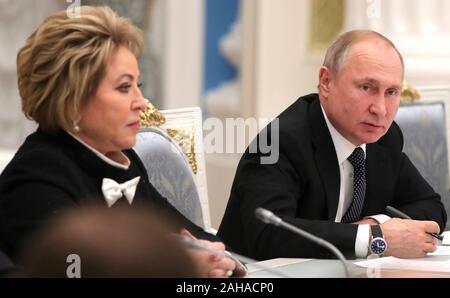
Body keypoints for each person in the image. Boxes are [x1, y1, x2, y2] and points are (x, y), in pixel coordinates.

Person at [0, 5, 241, 278]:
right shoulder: (35, 182)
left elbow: (191, 234)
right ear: (72, 101)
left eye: (138, 85)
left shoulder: (122, 159)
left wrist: (214, 257)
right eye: (125, 87)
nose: (141, 102)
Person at [218, 30, 447, 260]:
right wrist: (375, 238)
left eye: (391, 92)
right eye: (367, 87)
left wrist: (374, 225)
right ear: (326, 82)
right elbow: (268, 235)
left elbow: (431, 207)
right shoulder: (278, 142)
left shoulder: (384, 138)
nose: (380, 109)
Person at [18, 206, 202, 277]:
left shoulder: (125, 162)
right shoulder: (39, 181)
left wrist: (218, 257)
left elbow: (194, 232)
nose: (139, 118)